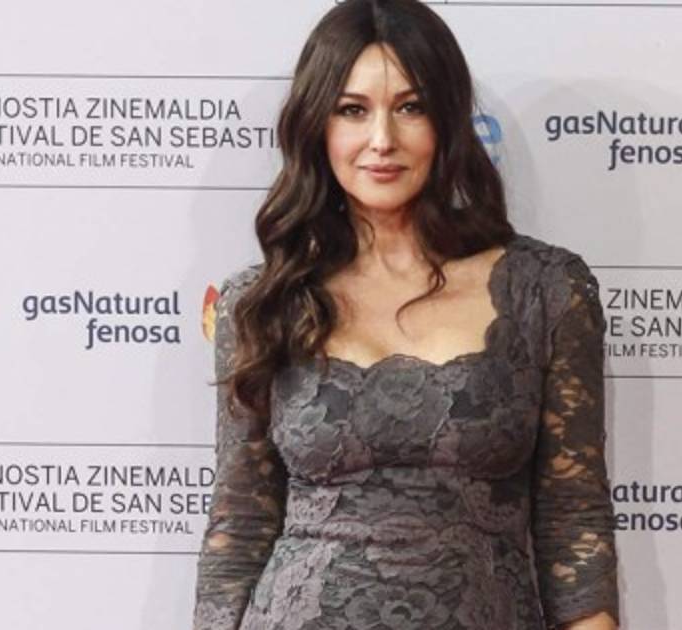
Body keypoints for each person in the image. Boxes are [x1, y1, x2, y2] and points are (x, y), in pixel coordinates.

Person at [192, 1, 619, 628]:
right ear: (317, 125)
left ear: (447, 120)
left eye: (410, 107)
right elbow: (241, 524)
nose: (382, 140)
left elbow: (574, 520)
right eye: (352, 110)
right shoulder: (263, 301)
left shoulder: (545, 290)